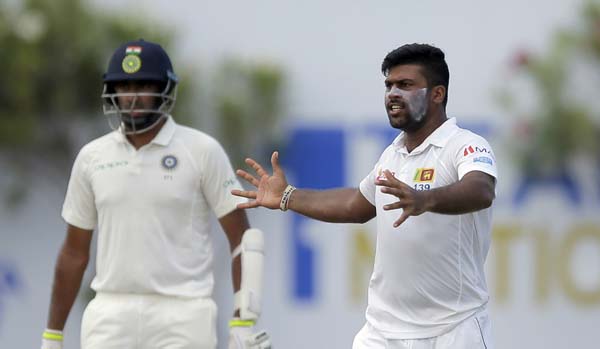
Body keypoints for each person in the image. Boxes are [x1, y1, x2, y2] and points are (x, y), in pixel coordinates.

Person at [233, 43, 497, 349]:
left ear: (437, 94)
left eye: (405, 85)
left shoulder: (465, 145)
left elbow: (481, 189)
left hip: (454, 329)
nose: (393, 93)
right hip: (383, 331)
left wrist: (427, 199)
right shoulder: (392, 155)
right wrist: (287, 196)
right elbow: (355, 205)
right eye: (389, 85)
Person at [41, 39, 271, 349]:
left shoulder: (201, 151)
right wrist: (53, 334)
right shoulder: (92, 157)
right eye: (123, 87)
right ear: (112, 92)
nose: (132, 97)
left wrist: (244, 320)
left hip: (183, 312)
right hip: (110, 312)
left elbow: (242, 241)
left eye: (143, 85)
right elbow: (74, 253)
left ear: (164, 89)